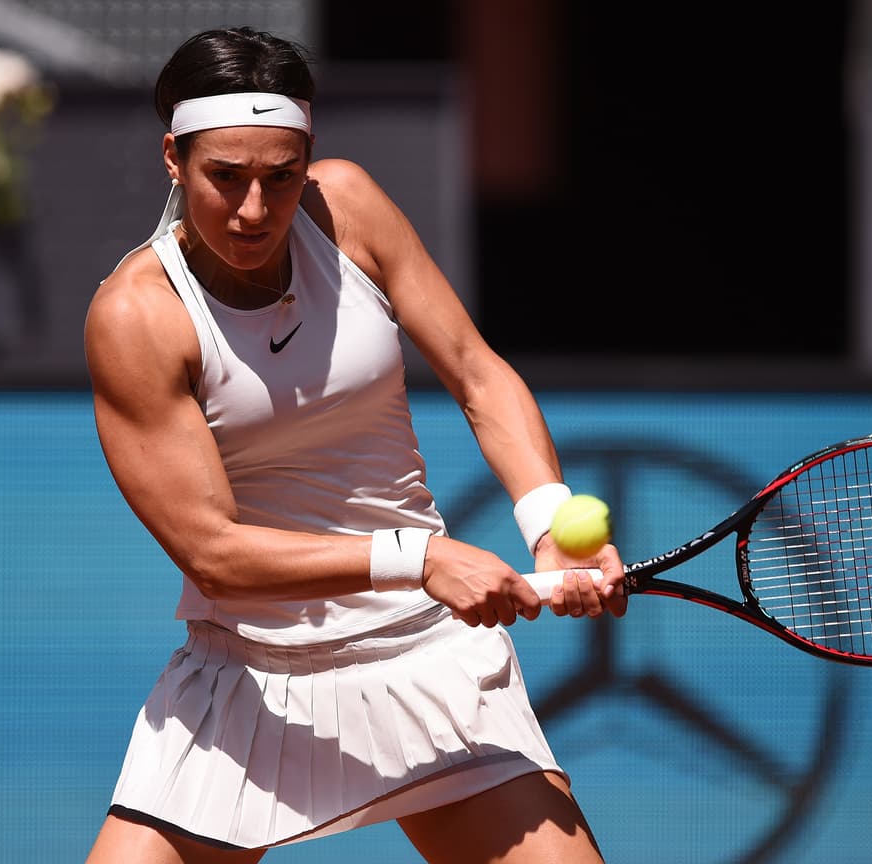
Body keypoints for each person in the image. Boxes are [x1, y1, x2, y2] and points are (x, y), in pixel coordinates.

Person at [82, 25, 628, 864]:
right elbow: (214, 555)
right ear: (173, 160)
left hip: (426, 659)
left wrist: (549, 521)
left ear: (308, 160)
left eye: (281, 177)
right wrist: (421, 557)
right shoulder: (136, 317)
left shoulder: (350, 209)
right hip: (250, 680)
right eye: (225, 177)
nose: (254, 210)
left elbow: (477, 374)